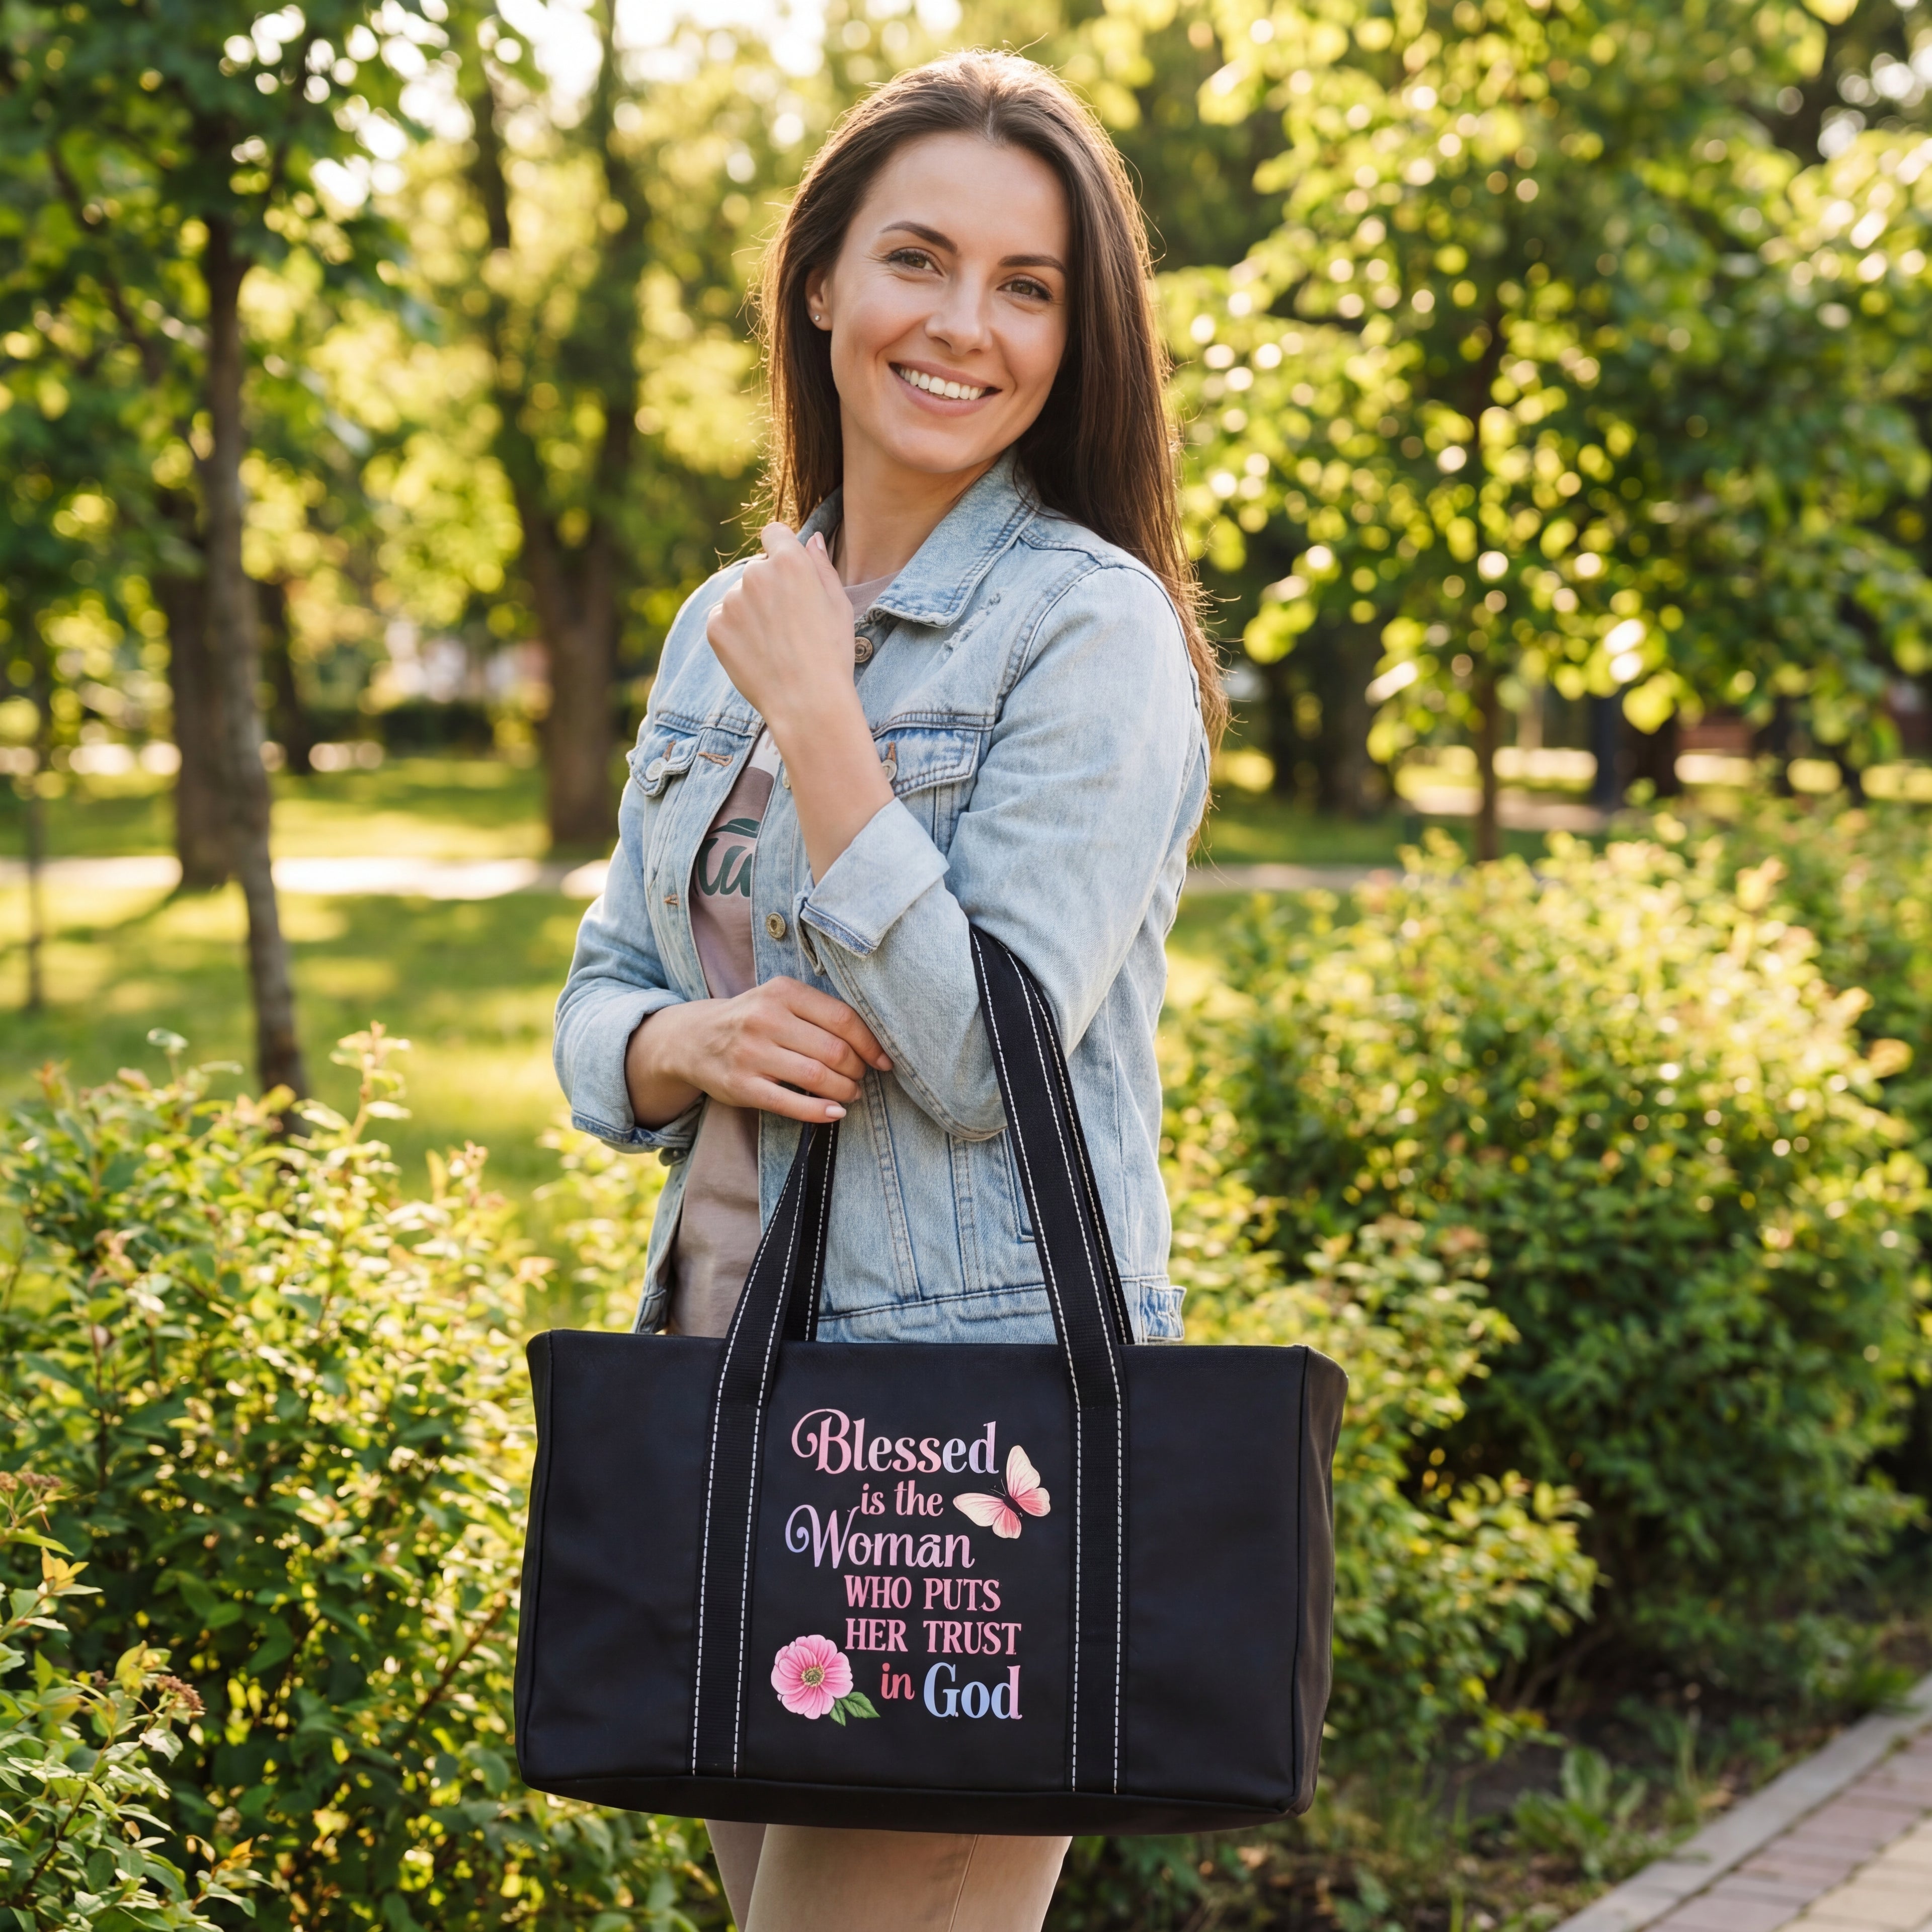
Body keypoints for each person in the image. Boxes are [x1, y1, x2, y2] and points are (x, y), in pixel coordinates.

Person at [553, 47, 1224, 1932]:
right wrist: (687, 1040)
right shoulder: (724, 626)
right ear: (821, 284)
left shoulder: (1090, 631)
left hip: (965, 1437)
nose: (966, 325)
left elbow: (983, 1053)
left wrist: (829, 723)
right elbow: (601, 1002)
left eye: (1031, 288)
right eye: (919, 260)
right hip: (741, 1383)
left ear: (1081, 342)